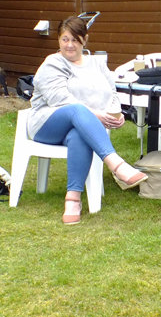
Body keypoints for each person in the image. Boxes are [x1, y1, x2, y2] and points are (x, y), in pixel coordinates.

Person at [28, 16, 148, 225]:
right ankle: (116, 165)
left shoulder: (97, 64)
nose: (70, 45)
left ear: (85, 40)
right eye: (65, 39)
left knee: (78, 134)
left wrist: (114, 114)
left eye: (75, 39)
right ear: (58, 40)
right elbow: (59, 99)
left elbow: (112, 92)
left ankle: (73, 199)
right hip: (46, 123)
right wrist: (95, 114)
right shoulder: (53, 63)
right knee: (76, 109)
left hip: (79, 125)